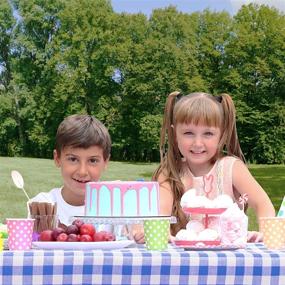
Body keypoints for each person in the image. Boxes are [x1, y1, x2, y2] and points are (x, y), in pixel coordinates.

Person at [153, 91, 275, 242]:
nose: (198, 143)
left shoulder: (231, 168)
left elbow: (262, 203)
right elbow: (159, 216)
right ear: (174, 133)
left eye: (208, 134)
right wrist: (159, 234)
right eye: (189, 133)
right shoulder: (169, 172)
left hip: (230, 259)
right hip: (184, 261)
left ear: (222, 134)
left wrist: (266, 236)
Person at [30, 114, 111, 227]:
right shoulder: (43, 206)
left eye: (92, 161)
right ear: (57, 158)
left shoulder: (117, 206)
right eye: (73, 159)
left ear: (105, 162)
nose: (82, 172)